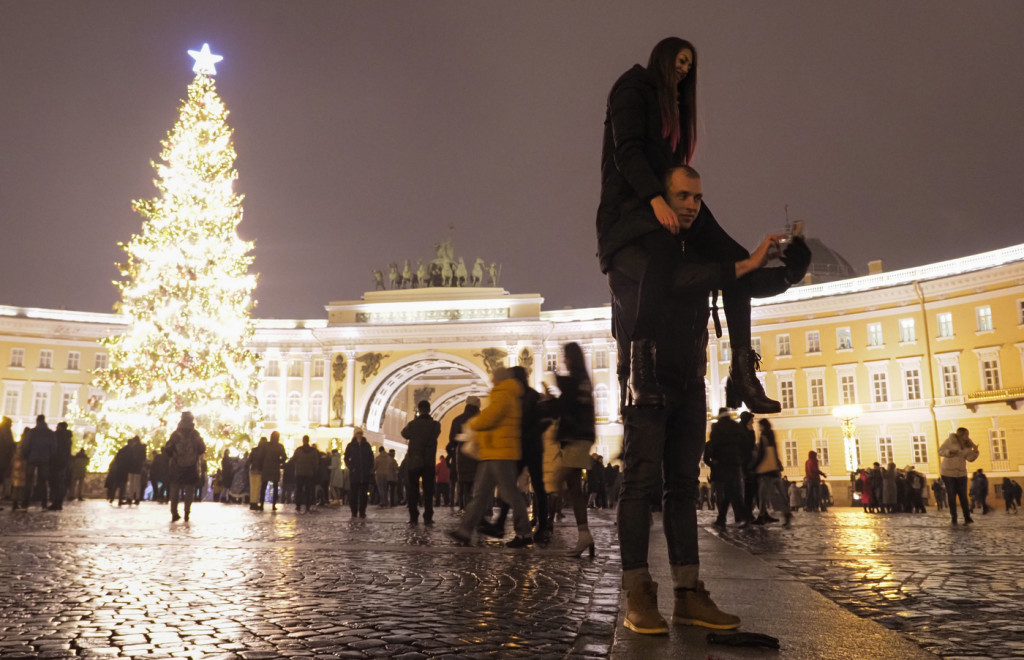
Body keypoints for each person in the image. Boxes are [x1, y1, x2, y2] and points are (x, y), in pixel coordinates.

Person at [606, 162, 793, 635]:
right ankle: (638, 594)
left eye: (697, 198)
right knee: (640, 483)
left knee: (684, 487)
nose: (692, 205)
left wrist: (791, 270)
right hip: (644, 377)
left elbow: (742, 282)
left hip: (689, 378)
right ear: (660, 197)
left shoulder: (696, 245)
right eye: (683, 196)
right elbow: (674, 280)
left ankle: (688, 594)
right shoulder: (634, 243)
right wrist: (742, 263)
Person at [596, 37, 810, 418]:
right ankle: (640, 368)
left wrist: (789, 274)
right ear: (663, 57)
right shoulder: (633, 88)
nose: (684, 69)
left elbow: (739, 274)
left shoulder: (673, 108)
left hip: (663, 201)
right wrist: (656, 199)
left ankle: (743, 374)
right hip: (630, 208)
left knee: (736, 257)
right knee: (663, 249)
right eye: (680, 60)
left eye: (690, 65)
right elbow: (626, 151)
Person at [448, 367, 533, 548]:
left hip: (501, 452)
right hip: (493, 451)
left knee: (510, 494)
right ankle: (465, 531)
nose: (492, 380)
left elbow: (490, 418)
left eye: (494, 377)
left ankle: (525, 532)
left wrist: (473, 423)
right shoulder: (506, 393)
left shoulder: (503, 393)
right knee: (479, 494)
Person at [485, 366, 552, 542]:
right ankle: (508, 524)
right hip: (525, 446)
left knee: (529, 486)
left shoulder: (525, 396)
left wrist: (527, 433)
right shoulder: (529, 395)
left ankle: (541, 527)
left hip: (528, 446)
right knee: (517, 486)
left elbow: (544, 420)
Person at [547, 342, 597, 556]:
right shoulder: (582, 380)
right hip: (577, 438)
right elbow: (568, 404)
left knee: (557, 481)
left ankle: (547, 522)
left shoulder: (577, 380)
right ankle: (584, 535)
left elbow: (567, 405)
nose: (563, 360)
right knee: (574, 489)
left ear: (572, 357)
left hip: (576, 438)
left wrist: (551, 398)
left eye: (565, 356)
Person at [703, 409, 749, 528]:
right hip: (735, 463)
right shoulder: (735, 425)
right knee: (733, 490)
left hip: (723, 464)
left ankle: (739, 516)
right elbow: (744, 442)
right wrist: (741, 458)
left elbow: (714, 445)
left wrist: (715, 460)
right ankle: (728, 517)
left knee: (730, 491)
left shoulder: (717, 427)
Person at [402, 399, 441, 524]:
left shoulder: (413, 424)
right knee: (428, 490)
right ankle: (428, 516)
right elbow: (435, 434)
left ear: (418, 410)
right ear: (429, 410)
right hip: (429, 462)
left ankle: (413, 516)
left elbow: (404, 433)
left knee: (412, 489)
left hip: (414, 462)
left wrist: (415, 419)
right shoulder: (435, 425)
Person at [164, 411, 206, 522]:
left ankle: (174, 512)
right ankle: (187, 513)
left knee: (175, 488)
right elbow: (202, 449)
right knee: (189, 490)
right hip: (191, 467)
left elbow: (167, 449)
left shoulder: (176, 434)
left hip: (176, 465)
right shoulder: (195, 434)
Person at [751, 418, 792, 527]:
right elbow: (774, 451)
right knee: (769, 493)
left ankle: (779, 513)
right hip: (773, 468)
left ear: (762, 426)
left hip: (766, 470)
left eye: (759, 426)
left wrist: (754, 466)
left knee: (767, 494)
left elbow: (761, 453)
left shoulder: (764, 435)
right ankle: (767, 514)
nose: (758, 428)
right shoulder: (772, 434)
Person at [938, 427, 979, 524]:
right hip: (948, 472)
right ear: (960, 434)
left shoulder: (967, 444)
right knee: (951, 495)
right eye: (966, 434)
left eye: (968, 434)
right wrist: (949, 452)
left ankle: (967, 517)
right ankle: (954, 517)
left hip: (961, 473)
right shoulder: (950, 441)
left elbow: (970, 459)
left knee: (963, 496)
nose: (967, 436)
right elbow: (940, 451)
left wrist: (975, 451)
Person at [448, 397, 481, 511]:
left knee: (465, 483)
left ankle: (466, 508)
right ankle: (482, 509)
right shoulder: (482, 418)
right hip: (479, 455)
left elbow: (452, 439)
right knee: (481, 483)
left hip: (462, 456)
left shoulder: (457, 420)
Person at [22, 415, 56, 509]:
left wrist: (25, 455)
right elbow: (53, 447)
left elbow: (26, 445)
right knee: (43, 480)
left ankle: (25, 502)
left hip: (32, 458)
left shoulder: (32, 432)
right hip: (45, 459)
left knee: (29, 480)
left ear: (37, 421)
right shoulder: (50, 433)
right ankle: (44, 502)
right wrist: (50, 457)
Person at [344, 427, 373, 518]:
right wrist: (351, 467)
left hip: (364, 474)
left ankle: (362, 511)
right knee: (354, 494)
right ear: (355, 435)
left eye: (360, 433)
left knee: (363, 495)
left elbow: (371, 458)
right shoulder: (351, 445)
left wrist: (368, 468)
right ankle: (354, 511)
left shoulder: (366, 445)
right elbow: (346, 458)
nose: (359, 435)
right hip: (355, 474)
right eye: (358, 433)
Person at [260, 431, 288, 511]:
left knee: (264, 486)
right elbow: (284, 457)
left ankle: (262, 504)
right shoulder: (279, 446)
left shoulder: (266, 446)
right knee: (275, 486)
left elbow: (261, 456)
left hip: (266, 467)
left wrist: (261, 465)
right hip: (275, 467)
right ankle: (273, 505)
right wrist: (279, 462)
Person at [49, 421, 73, 509]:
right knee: (61, 482)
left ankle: (55, 502)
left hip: (56, 462)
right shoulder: (68, 438)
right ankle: (59, 502)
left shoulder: (57, 435)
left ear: (59, 427)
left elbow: (53, 448)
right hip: (64, 462)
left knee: (55, 482)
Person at [292, 435, 319, 513]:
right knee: (308, 490)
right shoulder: (313, 451)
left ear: (303, 440)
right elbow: (316, 463)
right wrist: (315, 471)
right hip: (309, 473)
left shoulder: (298, 450)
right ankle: (307, 506)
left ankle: (298, 505)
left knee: (299, 489)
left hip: (299, 472)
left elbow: (294, 459)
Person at [120, 435, 147, 506]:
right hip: (138, 468)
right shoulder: (142, 448)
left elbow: (129, 458)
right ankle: (137, 498)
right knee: (137, 484)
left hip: (131, 468)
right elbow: (144, 458)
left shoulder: (132, 448)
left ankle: (130, 498)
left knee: (131, 483)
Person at [248, 437, 267, 511]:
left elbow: (250, 460)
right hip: (260, 470)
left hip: (252, 470)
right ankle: (255, 502)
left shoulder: (254, 450)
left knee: (252, 487)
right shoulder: (265, 452)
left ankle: (252, 502)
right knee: (257, 488)